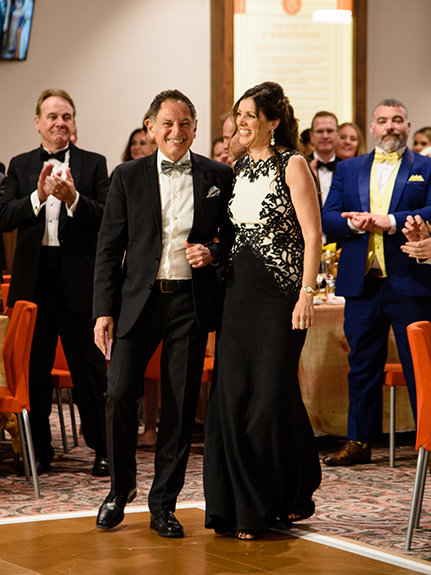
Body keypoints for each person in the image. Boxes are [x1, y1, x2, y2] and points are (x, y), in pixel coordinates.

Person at [93, 89, 233, 537]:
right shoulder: (127, 175)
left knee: (180, 405)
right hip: (139, 301)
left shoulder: (217, 175)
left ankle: (163, 505)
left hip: (190, 302)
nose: (177, 131)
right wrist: (103, 311)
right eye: (168, 123)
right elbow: (108, 248)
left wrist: (212, 252)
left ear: (196, 128)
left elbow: (231, 237)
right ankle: (120, 490)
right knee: (118, 394)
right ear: (150, 127)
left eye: (185, 123)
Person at [203, 81, 322, 540]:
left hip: (280, 298)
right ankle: (244, 504)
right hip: (237, 297)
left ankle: (272, 498)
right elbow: (231, 236)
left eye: (250, 116)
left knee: (269, 398)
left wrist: (306, 294)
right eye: (239, 115)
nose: (241, 123)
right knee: (233, 398)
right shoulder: (237, 169)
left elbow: (312, 235)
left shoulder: (293, 164)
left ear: (272, 122)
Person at [0, 89, 109, 475]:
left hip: (78, 280)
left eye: (66, 116)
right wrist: (38, 196)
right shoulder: (20, 164)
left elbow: (106, 217)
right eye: (52, 116)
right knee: (33, 371)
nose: (60, 123)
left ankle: (103, 448)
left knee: (90, 373)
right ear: (38, 123)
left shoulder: (94, 164)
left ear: (74, 122)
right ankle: (38, 451)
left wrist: (75, 198)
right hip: (33, 283)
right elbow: (4, 216)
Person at [322, 98, 431, 467]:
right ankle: (358, 442)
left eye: (397, 120)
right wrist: (354, 224)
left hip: (411, 281)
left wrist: (392, 221)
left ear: (408, 125)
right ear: (372, 128)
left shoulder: (426, 167)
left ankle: (428, 442)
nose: (390, 126)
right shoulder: (349, 168)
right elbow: (328, 217)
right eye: (383, 120)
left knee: (420, 366)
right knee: (361, 365)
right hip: (362, 283)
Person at [118, 125, 158, 448]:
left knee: (158, 369)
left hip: (171, 288)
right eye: (134, 143)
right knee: (120, 383)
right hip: (132, 285)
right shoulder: (124, 177)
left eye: (143, 142)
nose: (138, 147)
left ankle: (151, 426)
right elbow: (111, 240)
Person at [309, 111, 341, 209]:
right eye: (319, 131)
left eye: (330, 131)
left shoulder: (347, 168)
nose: (325, 136)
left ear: (338, 134)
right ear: (311, 136)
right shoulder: (301, 166)